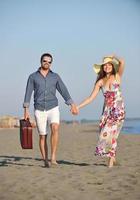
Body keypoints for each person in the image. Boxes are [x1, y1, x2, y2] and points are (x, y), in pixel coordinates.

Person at [23, 53, 77, 167]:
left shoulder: (55, 76)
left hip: (53, 107)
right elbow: (28, 92)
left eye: (49, 61)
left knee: (55, 128)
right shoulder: (33, 77)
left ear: (51, 63)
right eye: (45, 61)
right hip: (39, 109)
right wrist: (26, 110)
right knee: (43, 135)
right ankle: (45, 160)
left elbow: (63, 90)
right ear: (41, 61)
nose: (47, 63)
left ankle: (53, 157)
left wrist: (71, 104)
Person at [76, 55, 125, 168]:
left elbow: (122, 62)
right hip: (106, 111)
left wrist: (113, 56)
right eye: (105, 65)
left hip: (118, 111)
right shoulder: (100, 82)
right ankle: (112, 158)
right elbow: (90, 98)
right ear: (102, 68)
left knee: (106, 135)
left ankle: (111, 162)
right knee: (109, 135)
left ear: (112, 66)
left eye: (109, 64)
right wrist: (79, 106)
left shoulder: (117, 76)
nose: (107, 66)